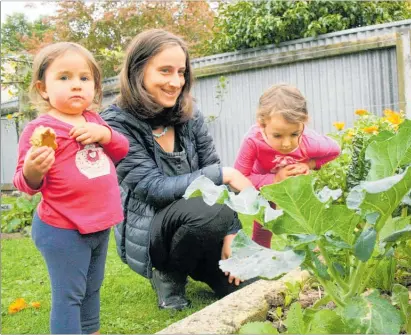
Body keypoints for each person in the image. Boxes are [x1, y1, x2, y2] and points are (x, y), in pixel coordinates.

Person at [100, 29, 253, 311]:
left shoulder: (189, 115)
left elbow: (210, 168)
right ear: (138, 71)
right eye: (165, 71)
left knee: (247, 286)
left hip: (203, 223)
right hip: (152, 233)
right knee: (209, 209)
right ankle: (168, 274)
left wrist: (233, 232)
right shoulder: (114, 125)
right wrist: (226, 175)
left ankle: (206, 267)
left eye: (181, 72)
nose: (175, 82)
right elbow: (153, 189)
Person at [13, 42, 129, 334]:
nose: (76, 85)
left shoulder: (93, 121)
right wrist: (32, 171)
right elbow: (24, 182)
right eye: (64, 78)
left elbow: (122, 150)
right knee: (69, 297)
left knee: (92, 288)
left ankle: (90, 330)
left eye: (84, 78)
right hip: (63, 228)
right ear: (43, 88)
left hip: (99, 225)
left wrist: (105, 134)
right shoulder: (39, 129)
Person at [234, 83, 341, 248]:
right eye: (277, 135)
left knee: (309, 217)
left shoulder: (309, 141)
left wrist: (309, 164)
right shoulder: (253, 141)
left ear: (303, 124)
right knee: (264, 222)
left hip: (297, 182)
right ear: (262, 125)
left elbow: (335, 150)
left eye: (294, 134)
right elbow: (239, 177)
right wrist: (275, 179)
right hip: (264, 183)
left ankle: (316, 255)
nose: (287, 144)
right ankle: (260, 257)